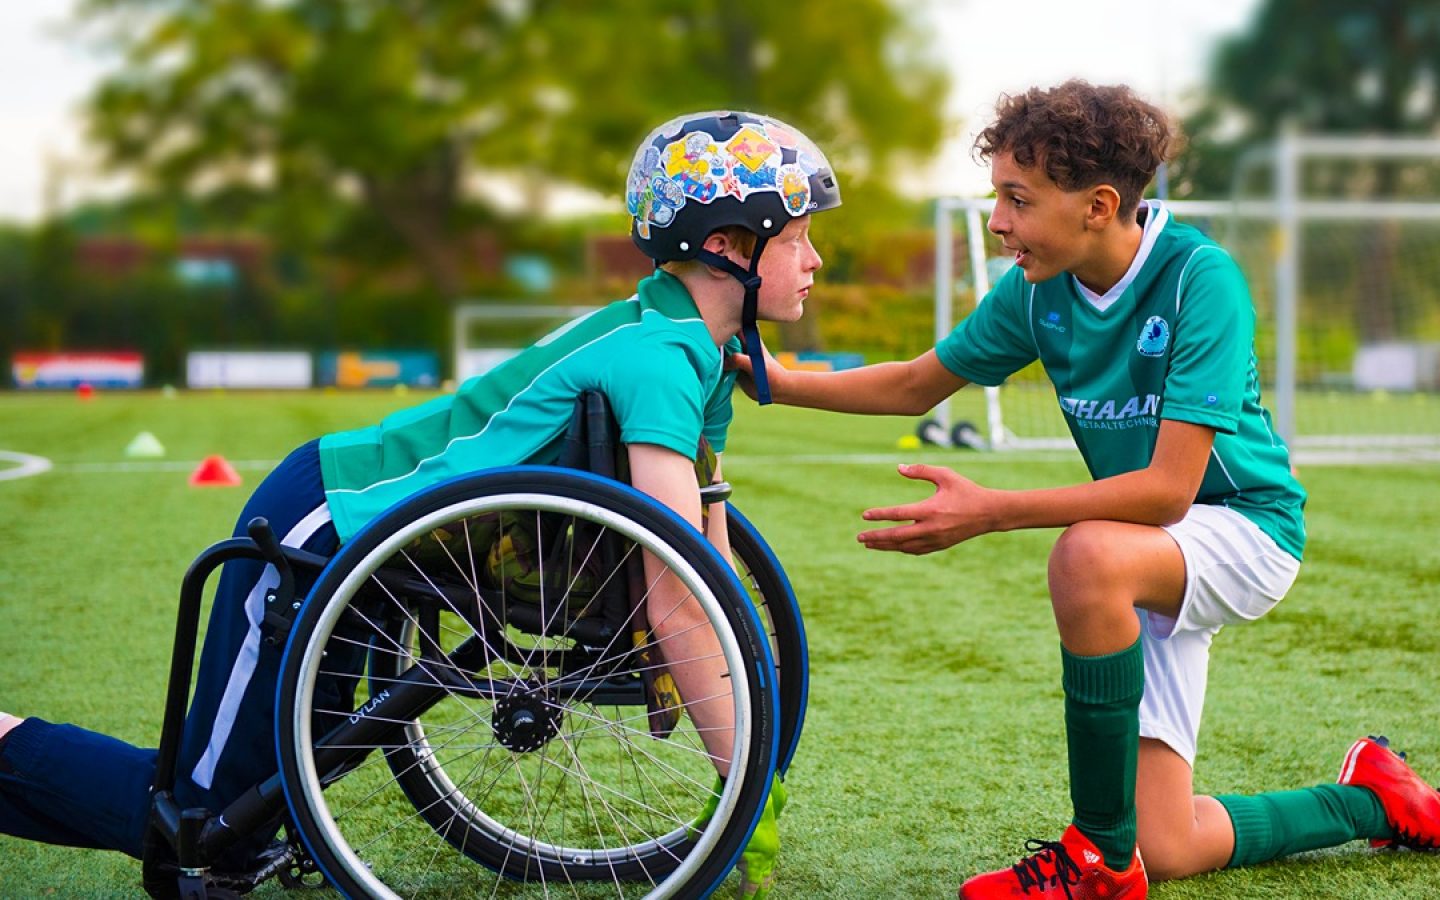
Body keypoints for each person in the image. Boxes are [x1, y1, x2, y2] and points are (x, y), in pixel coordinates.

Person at [0, 108, 837, 899]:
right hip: (327, 520)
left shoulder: (696, 349)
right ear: (727, 246)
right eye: (798, 240)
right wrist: (744, 783)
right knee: (196, 819)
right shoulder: (658, 355)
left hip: (396, 543)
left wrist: (742, 718)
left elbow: (707, 571)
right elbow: (677, 592)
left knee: (283, 785)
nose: (815, 262)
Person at [730, 81, 1440, 899]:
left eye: (1017, 199)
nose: (997, 221)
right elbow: (918, 382)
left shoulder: (1200, 279)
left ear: (1099, 205)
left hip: (1245, 531)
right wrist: (778, 381)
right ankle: (1372, 802)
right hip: (1152, 551)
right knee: (1169, 846)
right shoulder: (1037, 292)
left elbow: (1171, 491)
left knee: (1089, 555)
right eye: (998, 196)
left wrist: (991, 511)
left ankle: (1097, 856)